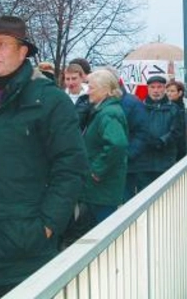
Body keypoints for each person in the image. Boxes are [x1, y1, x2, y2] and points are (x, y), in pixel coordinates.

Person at [0, 15, 88, 298]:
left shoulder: (48, 101)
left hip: (24, 254)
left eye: (2, 44)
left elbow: (71, 168)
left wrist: (47, 227)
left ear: (23, 51)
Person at [75, 69, 128, 233]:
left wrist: (97, 170)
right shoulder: (103, 110)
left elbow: (117, 144)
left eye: (91, 88)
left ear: (105, 89)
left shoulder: (108, 113)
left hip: (103, 186)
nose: (88, 91)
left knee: (105, 230)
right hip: (100, 186)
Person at [101, 67, 152, 202]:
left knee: (127, 204)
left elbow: (142, 133)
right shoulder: (97, 103)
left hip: (128, 166)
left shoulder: (132, 103)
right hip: (105, 165)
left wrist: (127, 155)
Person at [142, 75, 182, 179]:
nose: (156, 90)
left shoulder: (173, 109)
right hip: (144, 162)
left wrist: (161, 141)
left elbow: (176, 131)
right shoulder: (140, 108)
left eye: (159, 87)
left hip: (166, 160)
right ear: (148, 89)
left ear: (164, 89)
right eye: (152, 87)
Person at [63, 63, 91, 129]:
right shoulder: (61, 98)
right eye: (67, 79)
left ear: (82, 78)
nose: (70, 83)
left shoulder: (90, 96)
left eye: (74, 78)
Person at [165, 80, 187, 160]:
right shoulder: (166, 107)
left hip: (179, 150)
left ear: (180, 93)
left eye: (172, 91)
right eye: (167, 91)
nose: (169, 93)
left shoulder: (183, 110)